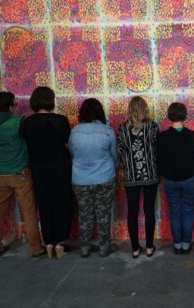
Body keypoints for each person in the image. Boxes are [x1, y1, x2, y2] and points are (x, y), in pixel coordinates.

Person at [0, 92, 45, 259]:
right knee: (29, 211)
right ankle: (36, 248)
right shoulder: (18, 122)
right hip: (19, 173)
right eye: (14, 105)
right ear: (10, 106)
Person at [22, 87, 72, 259]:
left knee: (44, 205)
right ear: (51, 100)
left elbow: (27, 144)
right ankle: (60, 243)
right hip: (59, 168)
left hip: (38, 169)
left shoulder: (27, 122)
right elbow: (67, 145)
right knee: (61, 203)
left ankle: (48, 242)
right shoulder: (60, 120)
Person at [69, 99, 118, 258]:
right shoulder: (107, 131)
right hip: (104, 178)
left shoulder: (75, 131)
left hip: (80, 179)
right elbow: (114, 156)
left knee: (84, 213)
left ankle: (85, 247)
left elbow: (72, 154)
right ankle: (104, 247)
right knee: (103, 213)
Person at [158, 103, 194, 255]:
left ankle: (177, 245)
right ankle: (186, 245)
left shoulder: (162, 137)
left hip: (171, 181)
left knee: (175, 212)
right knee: (188, 211)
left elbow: (160, 161)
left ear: (170, 116)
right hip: (190, 180)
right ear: (184, 116)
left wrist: (166, 175)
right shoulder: (193, 136)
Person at [118, 96, 159, 258]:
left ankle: (135, 248)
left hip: (131, 176)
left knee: (132, 212)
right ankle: (149, 247)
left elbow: (120, 152)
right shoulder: (153, 127)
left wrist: (130, 165)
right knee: (149, 211)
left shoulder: (122, 128)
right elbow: (156, 150)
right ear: (145, 108)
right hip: (150, 174)